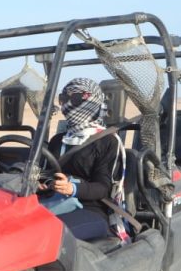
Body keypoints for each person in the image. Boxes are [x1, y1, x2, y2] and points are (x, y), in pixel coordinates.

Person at [39, 78, 125, 242]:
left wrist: (72, 188)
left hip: (90, 208)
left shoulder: (107, 141)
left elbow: (102, 188)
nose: (67, 104)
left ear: (92, 102)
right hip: (53, 201)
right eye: (63, 99)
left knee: (48, 236)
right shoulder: (59, 139)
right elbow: (45, 173)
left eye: (76, 99)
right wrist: (43, 182)